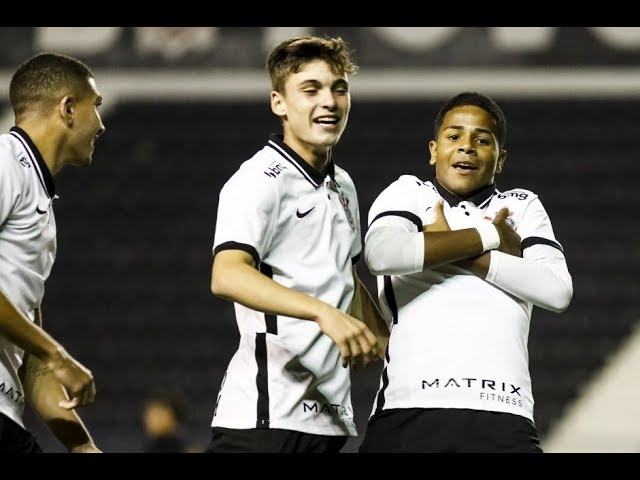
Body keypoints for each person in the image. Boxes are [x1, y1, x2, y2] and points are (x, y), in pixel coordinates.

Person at [359, 91, 573, 453]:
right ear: (433, 150)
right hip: (409, 410)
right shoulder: (409, 192)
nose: (467, 147)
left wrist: (445, 245)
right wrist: (489, 238)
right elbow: (381, 254)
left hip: (504, 413)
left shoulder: (521, 205)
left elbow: (557, 291)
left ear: (500, 159)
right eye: (453, 136)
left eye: (482, 140)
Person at [208, 35, 389, 453]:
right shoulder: (258, 181)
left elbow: (346, 278)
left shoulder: (343, 184)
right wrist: (325, 314)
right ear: (279, 103)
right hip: (265, 418)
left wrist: (392, 350)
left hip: (327, 419)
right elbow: (227, 274)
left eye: (338, 89)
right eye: (311, 90)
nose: (329, 101)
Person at [0, 52, 105, 453]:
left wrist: (81, 446)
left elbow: (34, 359)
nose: (101, 123)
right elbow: (47, 354)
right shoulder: (6, 160)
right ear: (67, 109)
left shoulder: (39, 202)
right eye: (95, 107)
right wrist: (57, 353)